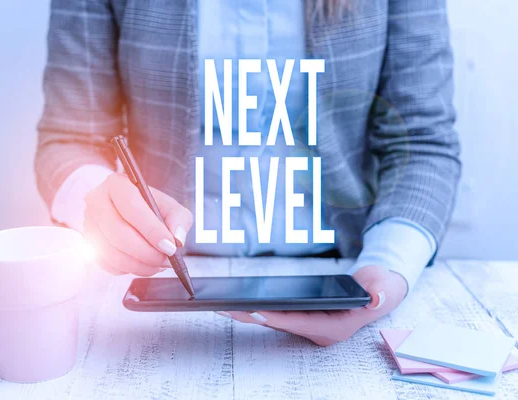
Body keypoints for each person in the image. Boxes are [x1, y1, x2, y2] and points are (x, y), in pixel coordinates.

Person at [35, 0, 460, 346]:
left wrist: (386, 269)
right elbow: (69, 138)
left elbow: (422, 141)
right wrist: (96, 203)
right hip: (162, 275)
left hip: (340, 266)